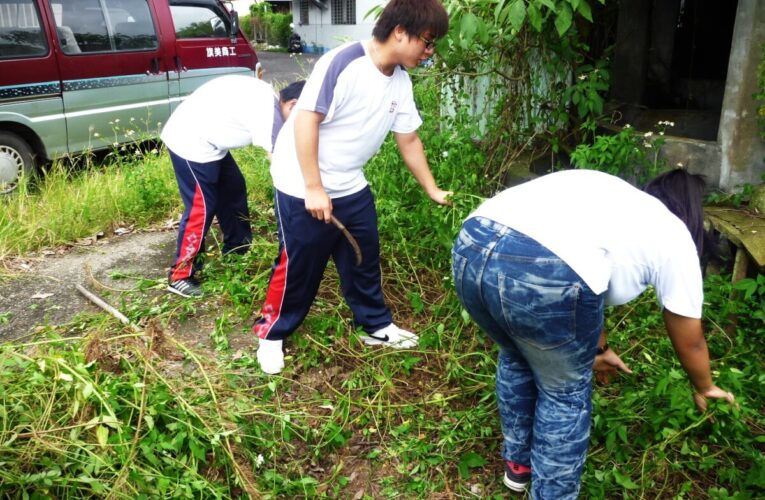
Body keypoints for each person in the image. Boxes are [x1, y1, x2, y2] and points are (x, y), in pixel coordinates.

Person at [451, 168, 735, 498]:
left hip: (471, 243)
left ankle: (519, 466)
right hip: (541, 265)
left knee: (516, 354)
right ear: (692, 211)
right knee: (564, 393)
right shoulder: (674, 233)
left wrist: (599, 350)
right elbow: (690, 334)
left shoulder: (612, 197)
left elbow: (588, 281)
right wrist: (705, 386)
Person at [253, 0, 450, 374]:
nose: (429, 52)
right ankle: (272, 333)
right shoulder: (343, 63)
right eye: (427, 41)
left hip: (349, 182)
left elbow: (408, 140)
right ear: (399, 32)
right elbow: (305, 121)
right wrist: (314, 187)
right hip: (301, 180)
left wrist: (432, 189)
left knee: (363, 256)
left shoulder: (400, 81)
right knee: (300, 262)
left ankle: (374, 326)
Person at [161, 76, 305, 298]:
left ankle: (237, 251)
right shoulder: (269, 116)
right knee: (202, 207)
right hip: (189, 141)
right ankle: (180, 275)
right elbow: (282, 171)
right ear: (293, 104)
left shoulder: (269, 99)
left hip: (209, 139)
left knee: (233, 190)